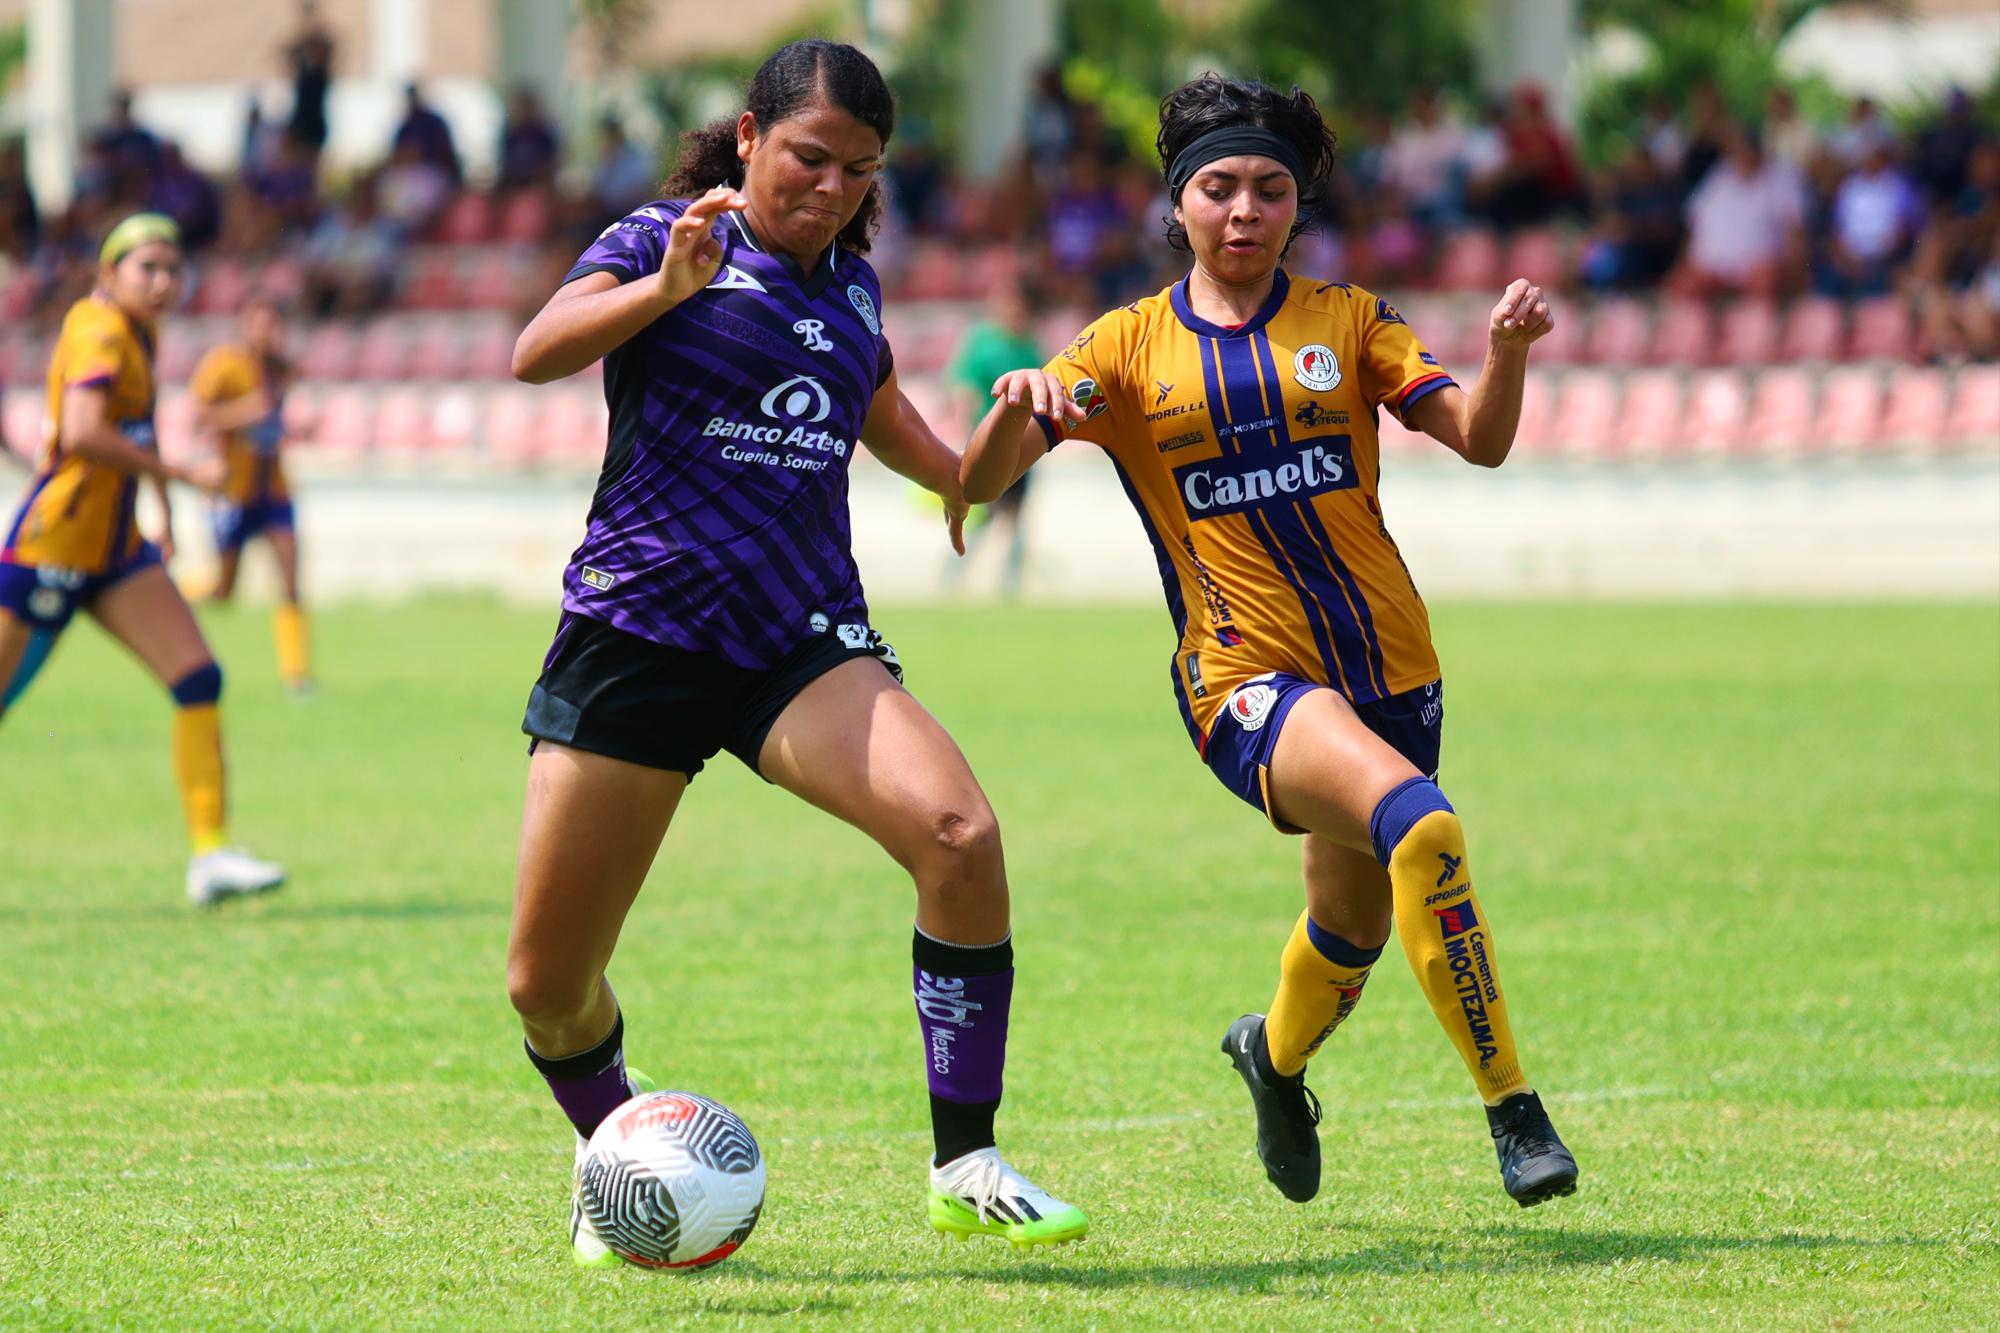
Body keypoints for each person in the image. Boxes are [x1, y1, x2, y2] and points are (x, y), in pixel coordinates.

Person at [505, 39, 1086, 1266]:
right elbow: (537, 350)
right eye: (809, 158)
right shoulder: (662, 240)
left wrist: (1023, 421)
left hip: (796, 639)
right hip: (639, 632)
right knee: (548, 987)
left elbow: (943, 470)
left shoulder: (852, 296)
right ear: (750, 138)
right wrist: (663, 288)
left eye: (859, 171)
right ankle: (615, 1147)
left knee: (959, 836)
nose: (830, 188)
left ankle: (965, 1162)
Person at [962, 74, 1581, 1210]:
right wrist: (1014, 409)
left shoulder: (1352, 322)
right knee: (1424, 824)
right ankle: (1512, 1107)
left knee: (1349, 929)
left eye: (1268, 188)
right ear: (1177, 203)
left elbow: (1481, 442)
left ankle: (1273, 1060)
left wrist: (1506, 352)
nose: (1242, 209)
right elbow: (976, 486)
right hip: (1241, 680)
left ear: (1296, 206)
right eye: (1218, 188)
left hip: (1391, 672)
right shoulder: (1122, 346)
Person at [0, 214, 285, 906]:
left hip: (115, 548)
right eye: (146, 268)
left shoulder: (137, 330)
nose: (163, 282)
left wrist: (159, 506)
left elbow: (137, 426)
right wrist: (184, 476)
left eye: (172, 269)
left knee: (197, 677)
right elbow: (85, 432)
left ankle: (211, 856)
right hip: (57, 547)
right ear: (108, 274)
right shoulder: (97, 329)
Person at [191, 294, 312, 692]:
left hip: (273, 489)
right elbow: (199, 419)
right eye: (261, 324)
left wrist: (299, 430)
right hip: (234, 490)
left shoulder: (280, 368)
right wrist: (246, 411)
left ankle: (297, 676)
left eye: (274, 325)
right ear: (246, 324)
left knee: (291, 580)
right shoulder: (223, 364)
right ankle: (175, 595)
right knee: (224, 591)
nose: (268, 333)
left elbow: (274, 423)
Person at [944, 276, 1043, 594]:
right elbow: (965, 388)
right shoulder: (982, 343)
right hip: (986, 444)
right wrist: (963, 432)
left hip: (1020, 445)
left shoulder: (1028, 345)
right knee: (981, 511)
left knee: (1015, 515)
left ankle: (1010, 582)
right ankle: (955, 572)